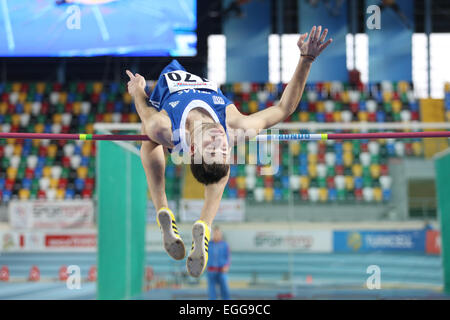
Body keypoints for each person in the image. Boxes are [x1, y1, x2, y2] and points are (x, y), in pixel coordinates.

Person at [126, 25, 332, 278]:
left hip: (170, 110)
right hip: (196, 100)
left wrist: (137, 92)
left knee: (149, 137)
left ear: (192, 149)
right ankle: (203, 223)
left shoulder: (163, 126)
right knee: (214, 163)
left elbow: (146, 112)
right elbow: (282, 109)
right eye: (223, 149)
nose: (219, 141)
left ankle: (163, 208)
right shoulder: (235, 127)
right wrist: (306, 60)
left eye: (210, 148)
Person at [207, 226, 231, 300]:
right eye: (215, 233)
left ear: (221, 234)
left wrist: (226, 266)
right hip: (211, 271)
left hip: (222, 271)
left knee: (225, 290)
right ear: (213, 234)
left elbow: (228, 257)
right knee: (212, 291)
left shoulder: (225, 245)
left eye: (218, 233)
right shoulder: (208, 245)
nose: (216, 235)